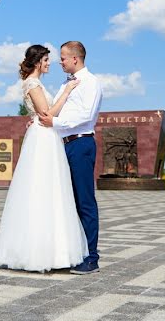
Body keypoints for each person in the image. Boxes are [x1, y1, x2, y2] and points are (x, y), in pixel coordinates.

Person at [0, 44, 88, 272]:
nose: (49, 64)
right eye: (46, 60)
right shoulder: (33, 84)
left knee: (53, 190)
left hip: (47, 136)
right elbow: (47, 114)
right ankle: (39, 253)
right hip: (43, 138)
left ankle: (55, 251)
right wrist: (66, 93)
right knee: (42, 188)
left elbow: (40, 115)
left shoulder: (36, 83)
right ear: (38, 62)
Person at [38, 40, 103, 274]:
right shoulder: (66, 84)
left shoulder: (90, 83)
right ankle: (74, 253)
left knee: (84, 201)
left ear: (75, 58)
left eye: (63, 58)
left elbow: (86, 115)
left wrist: (54, 122)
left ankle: (92, 258)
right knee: (67, 201)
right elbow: (55, 107)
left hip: (80, 143)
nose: (60, 62)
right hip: (62, 144)